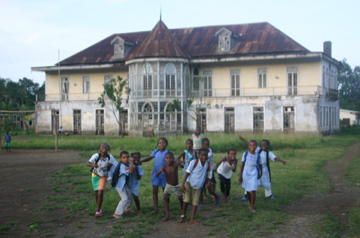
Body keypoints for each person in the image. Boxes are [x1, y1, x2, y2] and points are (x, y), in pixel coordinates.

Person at [181, 148, 211, 224]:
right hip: (188, 184)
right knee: (186, 201)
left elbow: (208, 173)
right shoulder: (194, 162)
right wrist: (182, 184)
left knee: (195, 202)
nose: (204, 157)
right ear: (198, 155)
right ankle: (182, 216)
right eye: (202, 155)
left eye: (205, 155)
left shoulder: (208, 164)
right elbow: (187, 173)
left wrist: (208, 182)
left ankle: (192, 218)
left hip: (198, 187)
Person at [88, 143, 116, 217]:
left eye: (105, 148)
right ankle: (99, 208)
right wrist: (93, 165)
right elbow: (88, 163)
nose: (104, 150)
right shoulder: (96, 156)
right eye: (102, 148)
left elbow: (112, 165)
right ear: (99, 149)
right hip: (95, 176)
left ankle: (97, 211)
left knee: (100, 192)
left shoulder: (110, 157)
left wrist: (109, 166)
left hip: (103, 176)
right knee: (96, 193)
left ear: (108, 150)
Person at [141, 137, 168, 212]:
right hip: (156, 174)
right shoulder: (155, 152)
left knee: (165, 192)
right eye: (159, 143)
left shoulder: (168, 153)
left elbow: (170, 163)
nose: (161, 144)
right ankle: (156, 208)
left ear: (166, 144)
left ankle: (166, 208)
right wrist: (141, 161)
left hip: (164, 175)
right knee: (154, 191)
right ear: (157, 145)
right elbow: (149, 158)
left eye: (163, 143)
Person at [157, 151, 183, 221]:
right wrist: (160, 172)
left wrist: (180, 163)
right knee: (165, 198)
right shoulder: (165, 166)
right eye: (167, 158)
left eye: (170, 158)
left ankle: (182, 213)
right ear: (165, 159)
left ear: (173, 159)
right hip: (168, 185)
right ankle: (167, 214)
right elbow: (158, 174)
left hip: (176, 185)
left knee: (181, 199)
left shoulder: (175, 164)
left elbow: (181, 165)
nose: (168, 159)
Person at [239, 140, 261, 213]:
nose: (253, 147)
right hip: (246, 173)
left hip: (254, 173)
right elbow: (242, 165)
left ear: (256, 146)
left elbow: (259, 165)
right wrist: (240, 175)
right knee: (248, 190)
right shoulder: (245, 154)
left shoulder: (258, 155)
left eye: (254, 145)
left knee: (253, 190)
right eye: (251, 145)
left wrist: (260, 174)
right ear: (248, 146)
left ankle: (252, 206)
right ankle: (250, 203)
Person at [112, 151, 133, 219]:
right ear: (120, 159)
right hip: (119, 185)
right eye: (124, 157)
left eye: (127, 157)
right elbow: (131, 171)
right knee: (125, 198)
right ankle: (117, 213)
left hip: (123, 184)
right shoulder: (121, 166)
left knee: (129, 195)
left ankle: (126, 209)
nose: (126, 159)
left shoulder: (125, 164)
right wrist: (131, 163)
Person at [202, 137, 220, 205]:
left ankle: (215, 196)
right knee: (202, 185)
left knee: (211, 185)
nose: (206, 146)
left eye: (207, 144)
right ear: (202, 145)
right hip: (203, 171)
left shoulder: (209, 151)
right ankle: (203, 197)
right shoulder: (201, 151)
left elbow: (207, 158)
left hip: (209, 170)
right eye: (205, 144)